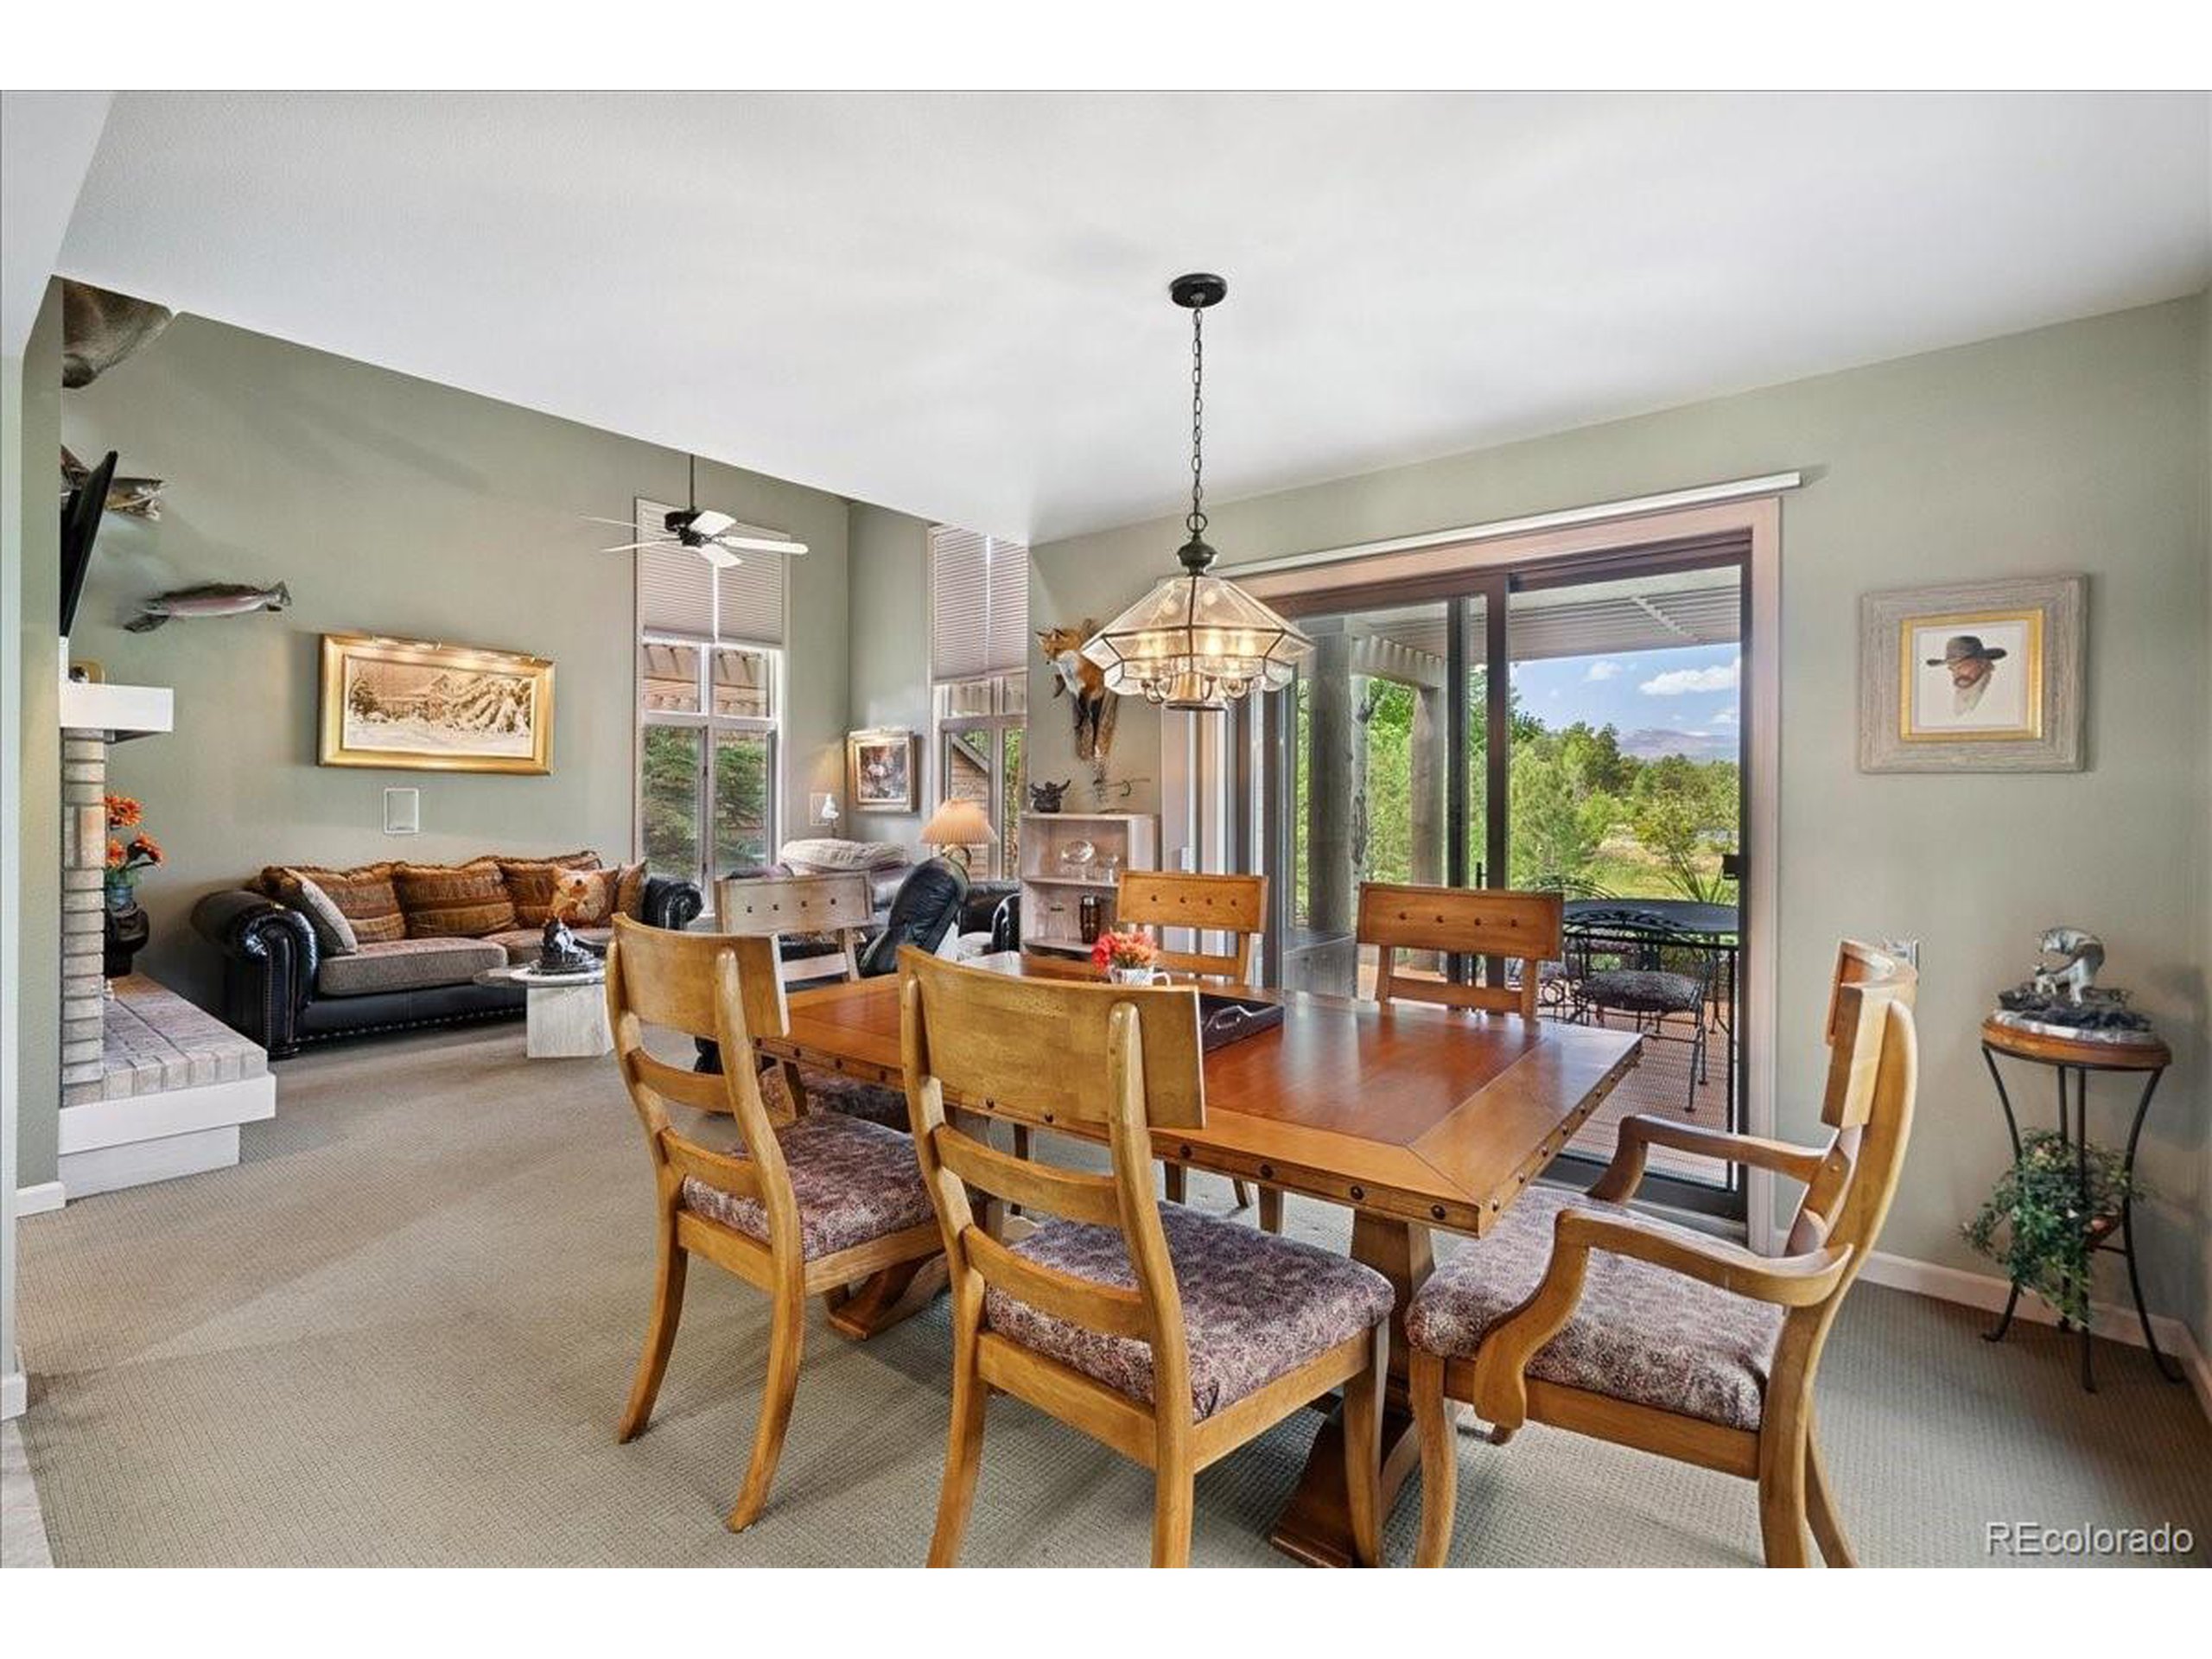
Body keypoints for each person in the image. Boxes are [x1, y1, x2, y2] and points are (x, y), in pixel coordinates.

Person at [1926, 633, 2006, 717]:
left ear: (1983, 663)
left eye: (1962, 667)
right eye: (1953, 669)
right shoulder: (1956, 700)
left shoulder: (2000, 694)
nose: (1956, 674)